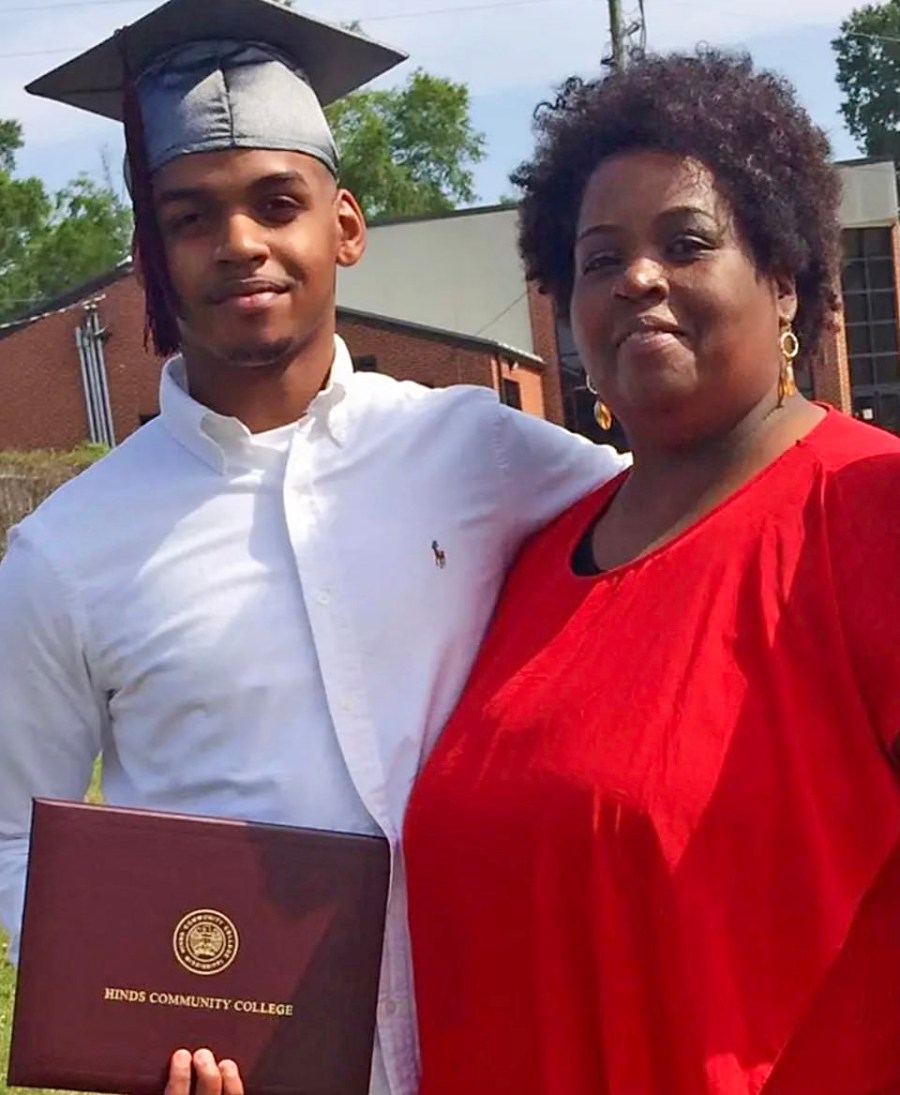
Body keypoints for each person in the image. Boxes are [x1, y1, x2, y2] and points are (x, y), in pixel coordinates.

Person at [0, 3, 627, 1094]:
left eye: (276, 204)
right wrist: (130, 1014)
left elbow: (680, 538)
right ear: (152, 251)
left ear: (344, 225)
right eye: (191, 216)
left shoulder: (481, 452)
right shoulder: (66, 554)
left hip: (507, 1044)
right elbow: (12, 839)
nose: (240, 244)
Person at [403, 50, 900, 1094]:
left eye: (686, 243)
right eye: (598, 258)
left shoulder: (867, 513)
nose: (636, 278)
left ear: (784, 281)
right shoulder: (535, 556)